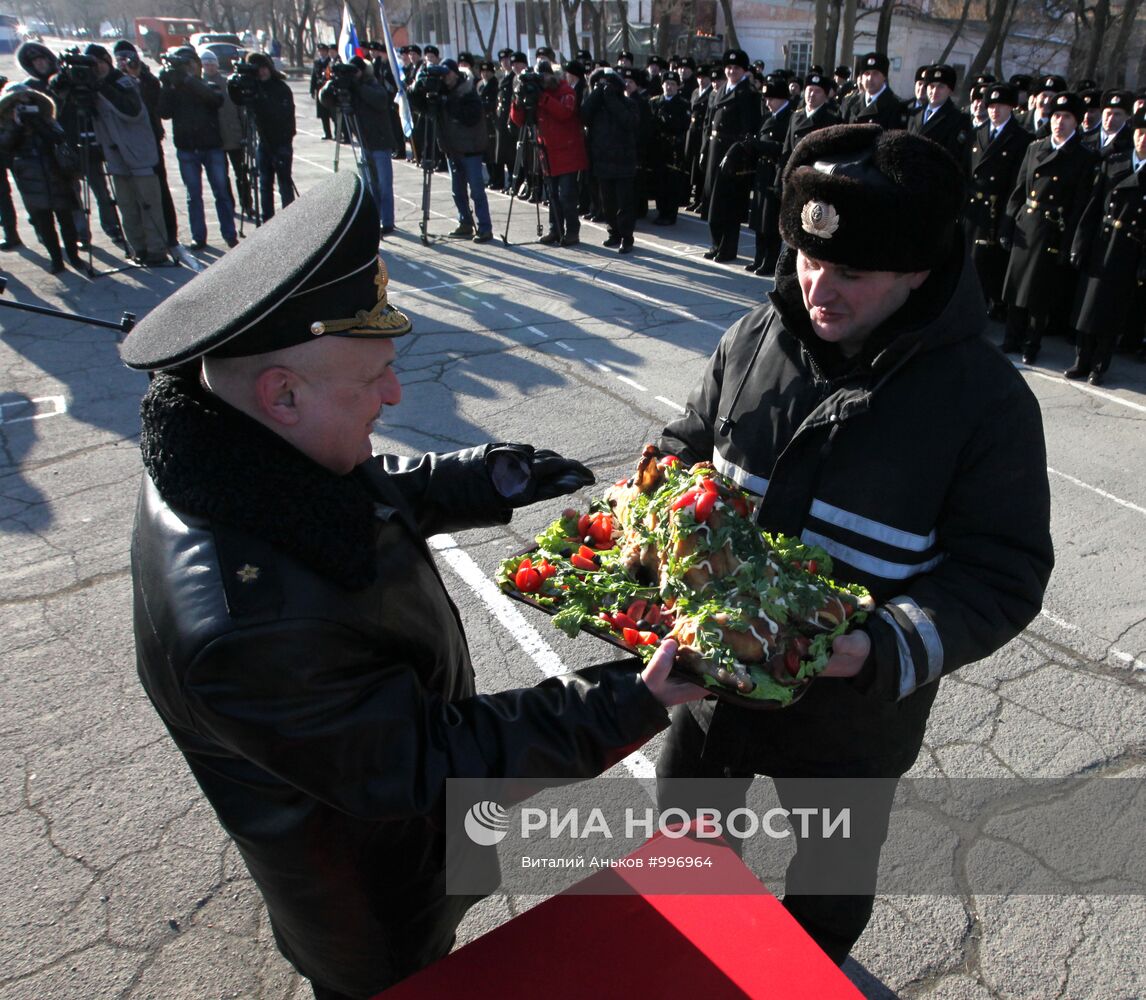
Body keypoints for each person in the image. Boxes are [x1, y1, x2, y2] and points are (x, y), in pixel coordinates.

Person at [121, 172, 700, 1000]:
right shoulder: (244, 629)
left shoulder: (230, 443)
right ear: (283, 394)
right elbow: (426, 760)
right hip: (371, 890)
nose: (394, 396)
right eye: (373, 381)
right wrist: (630, 700)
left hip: (398, 833)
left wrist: (475, 480)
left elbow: (339, 487)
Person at [655, 122, 1053, 969]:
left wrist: (869, 649)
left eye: (851, 272)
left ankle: (799, 975)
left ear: (919, 271)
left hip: (850, 715)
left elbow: (1002, 574)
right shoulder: (754, 338)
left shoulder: (987, 404)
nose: (817, 286)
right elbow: (690, 443)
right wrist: (657, 495)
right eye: (806, 256)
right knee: (686, 851)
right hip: (713, 683)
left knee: (828, 884)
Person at [999, 91, 1096, 363]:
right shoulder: (1035, 147)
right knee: (1016, 285)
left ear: (1076, 122)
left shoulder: (1083, 157)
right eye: (1055, 116)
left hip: (1052, 228)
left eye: (1066, 117)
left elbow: (1080, 206)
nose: (1059, 122)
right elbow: (1019, 189)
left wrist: (1071, 243)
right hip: (1026, 222)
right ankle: (1011, 337)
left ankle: (1032, 343)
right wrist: (1008, 222)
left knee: (1039, 292)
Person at [1064, 108, 1146, 385]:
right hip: (1102, 240)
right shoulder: (1115, 162)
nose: (1143, 140)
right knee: (1088, 304)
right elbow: (1093, 207)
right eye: (1140, 133)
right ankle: (1080, 359)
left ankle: (1099, 365)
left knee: (1112, 309)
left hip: (1129, 248)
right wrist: (1079, 243)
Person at [87, 40, 168, 265]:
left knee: (149, 204)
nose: (96, 69)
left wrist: (102, 87)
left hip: (139, 154)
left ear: (106, 61)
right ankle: (138, 248)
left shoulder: (123, 82)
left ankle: (157, 249)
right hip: (115, 157)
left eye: (98, 63)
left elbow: (131, 111)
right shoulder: (92, 86)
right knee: (127, 207)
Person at [0, 82, 85, 274]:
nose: (23, 106)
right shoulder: (7, 125)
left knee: (67, 220)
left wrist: (38, 122)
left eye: (26, 101)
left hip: (55, 174)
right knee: (44, 223)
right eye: (16, 103)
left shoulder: (44, 117)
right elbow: (5, 149)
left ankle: (74, 256)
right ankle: (56, 260)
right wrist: (17, 126)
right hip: (30, 180)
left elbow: (59, 137)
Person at [157, 46, 238, 250]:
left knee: (221, 191)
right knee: (193, 195)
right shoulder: (175, 89)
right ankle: (198, 236)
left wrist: (188, 80)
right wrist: (167, 85)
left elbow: (215, 100)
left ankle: (229, 233)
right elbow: (164, 112)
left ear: (196, 65)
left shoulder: (206, 84)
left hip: (212, 146)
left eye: (188, 64)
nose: (186, 69)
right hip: (187, 148)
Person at [965, 82, 1032, 320]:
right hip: (972, 208)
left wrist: (1007, 218)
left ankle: (983, 311)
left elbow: (1017, 184)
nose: (995, 111)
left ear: (1011, 107)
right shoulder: (977, 131)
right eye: (991, 105)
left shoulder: (1021, 138)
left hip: (995, 208)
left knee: (986, 266)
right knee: (967, 262)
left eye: (1001, 106)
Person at [48, 44, 126, 247]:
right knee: (74, 195)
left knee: (102, 192)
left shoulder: (93, 82)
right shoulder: (63, 83)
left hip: (93, 145)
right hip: (71, 146)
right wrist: (64, 74)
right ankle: (82, 235)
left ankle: (113, 228)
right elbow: (55, 95)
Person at [410, 59, 493, 243]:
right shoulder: (440, 92)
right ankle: (465, 222)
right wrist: (418, 88)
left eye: (447, 73)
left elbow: (470, 117)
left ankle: (485, 227)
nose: (445, 78)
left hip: (471, 149)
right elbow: (420, 108)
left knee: (477, 191)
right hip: (452, 149)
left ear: (455, 73)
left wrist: (447, 101)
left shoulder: (468, 90)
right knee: (457, 190)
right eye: (442, 74)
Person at [510, 59, 586, 247]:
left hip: (567, 151)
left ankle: (572, 231)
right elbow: (520, 121)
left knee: (566, 195)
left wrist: (543, 98)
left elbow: (565, 114)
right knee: (552, 194)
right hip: (547, 150)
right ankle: (555, 229)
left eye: (544, 77)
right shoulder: (535, 91)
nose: (542, 81)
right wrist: (519, 100)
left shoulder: (565, 91)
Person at [319, 56, 396, 234]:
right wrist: (332, 84)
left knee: (384, 185)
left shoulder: (371, 85)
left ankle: (388, 220)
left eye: (355, 72)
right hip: (364, 143)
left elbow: (380, 100)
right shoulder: (348, 90)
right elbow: (326, 100)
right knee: (369, 187)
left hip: (380, 142)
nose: (352, 76)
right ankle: (373, 219)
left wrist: (357, 87)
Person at [702, 49, 762, 262]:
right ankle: (716, 244)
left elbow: (750, 129)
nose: (731, 71)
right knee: (712, 200)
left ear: (744, 71)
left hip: (733, 153)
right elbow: (709, 123)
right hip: (715, 150)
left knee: (729, 203)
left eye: (736, 68)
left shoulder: (748, 94)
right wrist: (703, 150)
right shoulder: (718, 90)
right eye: (728, 67)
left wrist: (740, 154)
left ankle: (727, 249)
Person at [581, 67, 639, 253]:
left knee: (625, 204)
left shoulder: (628, 103)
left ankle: (626, 237)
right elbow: (583, 115)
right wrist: (597, 92)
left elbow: (629, 122)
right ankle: (613, 232)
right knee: (608, 203)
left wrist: (612, 99)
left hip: (623, 162)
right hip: (603, 161)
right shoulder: (596, 108)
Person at [740, 76, 793, 276]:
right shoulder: (768, 115)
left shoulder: (788, 117)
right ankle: (758, 258)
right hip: (762, 171)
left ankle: (770, 262)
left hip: (775, 171)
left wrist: (762, 145)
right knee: (759, 218)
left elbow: (784, 148)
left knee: (770, 221)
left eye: (771, 98)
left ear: (781, 98)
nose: (767, 102)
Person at [233, 53, 296, 221]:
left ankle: (290, 220)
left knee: (284, 184)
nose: (262, 72)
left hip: (281, 142)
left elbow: (287, 117)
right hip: (264, 143)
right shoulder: (253, 89)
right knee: (264, 184)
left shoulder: (280, 88)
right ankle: (267, 219)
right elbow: (236, 99)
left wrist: (283, 141)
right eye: (257, 69)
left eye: (264, 67)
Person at [907, 64, 972, 175]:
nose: (935, 91)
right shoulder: (914, 114)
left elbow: (954, 158)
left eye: (941, 86)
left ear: (950, 90)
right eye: (931, 86)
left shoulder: (959, 119)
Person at [647, 70, 690, 226]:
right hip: (658, 147)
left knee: (671, 182)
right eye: (667, 84)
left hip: (673, 148)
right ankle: (661, 211)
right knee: (659, 180)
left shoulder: (683, 104)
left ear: (678, 87)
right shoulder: (654, 102)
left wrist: (669, 120)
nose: (669, 87)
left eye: (673, 84)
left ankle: (670, 213)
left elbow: (684, 126)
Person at [842, 52, 904, 130]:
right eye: (867, 73)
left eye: (875, 73)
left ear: (884, 77)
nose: (870, 78)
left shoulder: (896, 105)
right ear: (861, 77)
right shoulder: (851, 102)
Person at [310, 42, 333, 140]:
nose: (321, 53)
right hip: (320, 89)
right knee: (323, 114)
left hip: (329, 90)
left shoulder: (330, 62)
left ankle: (338, 132)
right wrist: (312, 89)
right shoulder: (317, 62)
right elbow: (314, 76)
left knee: (332, 113)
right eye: (320, 51)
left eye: (323, 51)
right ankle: (327, 133)